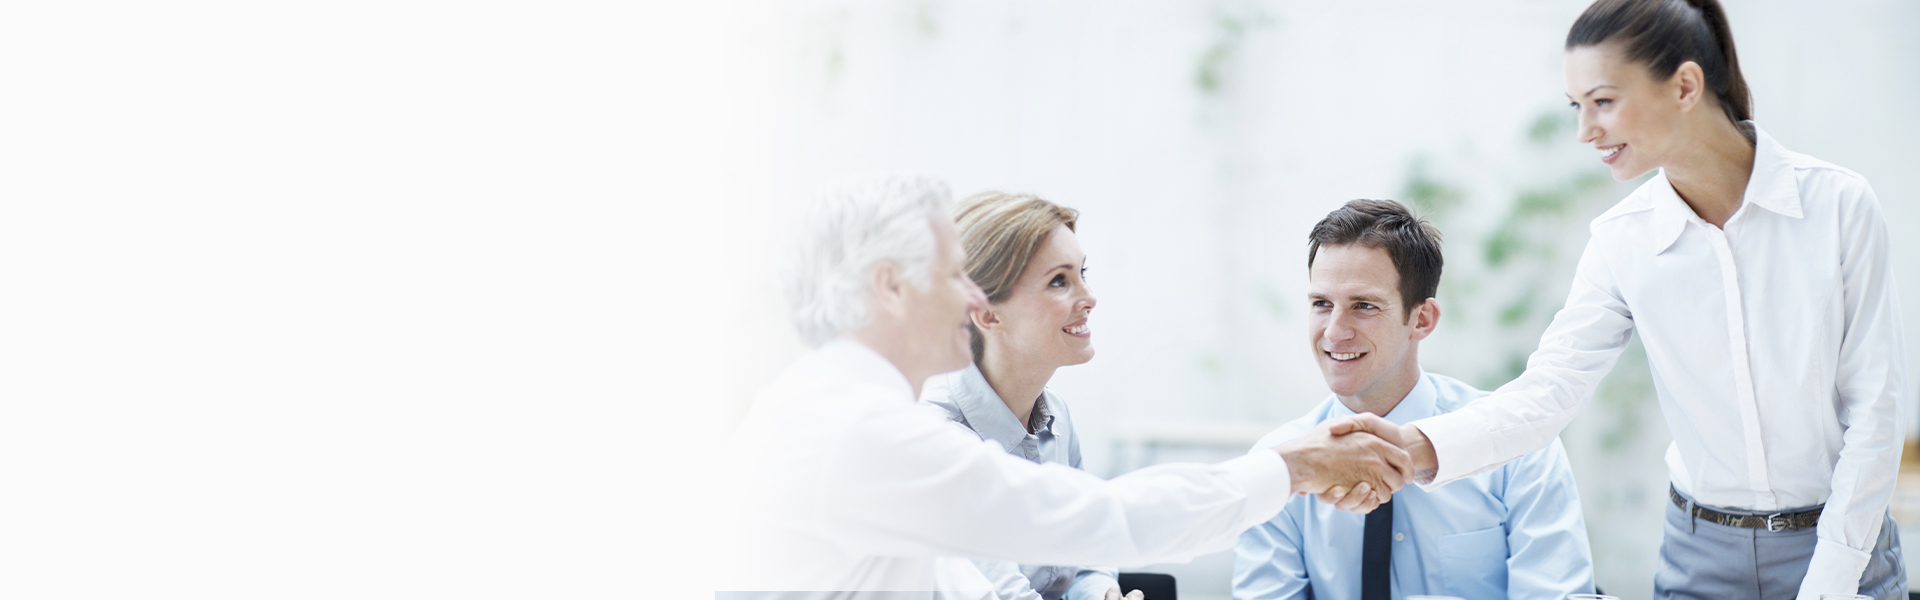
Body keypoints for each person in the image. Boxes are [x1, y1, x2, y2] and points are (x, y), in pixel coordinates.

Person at [1341, 1, 1908, 598]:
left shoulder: (1837, 206)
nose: (1586, 131)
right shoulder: (1622, 240)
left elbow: (1876, 407)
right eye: (1576, 107)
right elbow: (1546, 394)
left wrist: (1831, 580)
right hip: (1701, 558)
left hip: (1843, 545)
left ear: (1685, 86)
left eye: (1604, 102)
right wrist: (1410, 446)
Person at [720, 176, 1412, 599]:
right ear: (890, 287)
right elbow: (1106, 520)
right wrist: (1294, 466)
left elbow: (1077, 543)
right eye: (954, 274)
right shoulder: (866, 434)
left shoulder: (833, 411)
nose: (971, 297)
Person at [1232, 199, 1595, 600]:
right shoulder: (1279, 465)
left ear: (1421, 319)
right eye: (1322, 304)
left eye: (1364, 306)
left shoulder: (1518, 446)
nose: (1334, 332)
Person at [917, 192, 1122, 600]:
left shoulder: (1056, 417)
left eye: (1082, 273)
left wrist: (1104, 594)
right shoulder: (937, 439)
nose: (1089, 298)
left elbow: (1090, 551)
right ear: (988, 314)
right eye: (1059, 280)